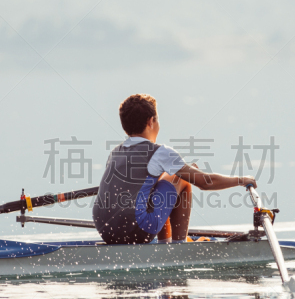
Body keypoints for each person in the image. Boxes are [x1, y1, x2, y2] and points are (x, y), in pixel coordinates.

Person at [93, 94, 257, 244]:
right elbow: (206, 183)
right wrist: (241, 180)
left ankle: (168, 242)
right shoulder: (160, 152)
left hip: (105, 231)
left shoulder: (115, 153)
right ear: (151, 122)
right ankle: (177, 246)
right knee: (183, 178)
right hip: (139, 230)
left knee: (160, 183)